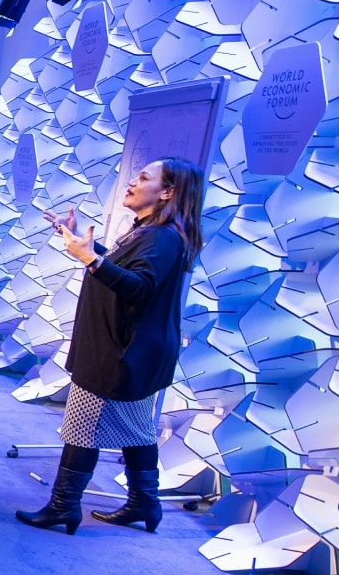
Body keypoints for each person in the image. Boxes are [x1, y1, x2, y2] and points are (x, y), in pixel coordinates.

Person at [16, 158, 205, 535]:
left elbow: (138, 287)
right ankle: (144, 503)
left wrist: (89, 257)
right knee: (136, 429)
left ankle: (64, 506)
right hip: (136, 351)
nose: (132, 182)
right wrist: (82, 243)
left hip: (121, 352)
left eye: (144, 177)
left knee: (81, 427)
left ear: (167, 192)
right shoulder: (157, 233)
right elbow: (127, 268)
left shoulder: (162, 237)